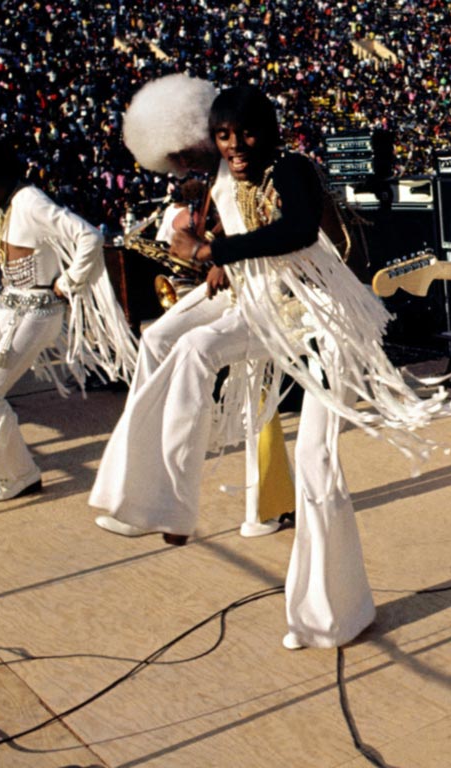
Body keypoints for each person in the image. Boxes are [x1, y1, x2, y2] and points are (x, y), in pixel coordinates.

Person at [96, 85, 451, 650]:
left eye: (246, 134)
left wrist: (215, 254)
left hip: (329, 320)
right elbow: (241, 240)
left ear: (271, 132)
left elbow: (295, 231)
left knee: (315, 461)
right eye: (224, 137)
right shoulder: (228, 183)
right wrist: (215, 258)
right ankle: (169, 501)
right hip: (266, 311)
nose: (235, 146)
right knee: (189, 350)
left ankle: (331, 614)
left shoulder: (293, 169)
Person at [93, 73, 289, 540]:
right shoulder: (209, 181)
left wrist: (214, 253)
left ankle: (174, 503)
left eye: (182, 152)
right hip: (236, 293)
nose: (178, 164)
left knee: (212, 367)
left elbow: (280, 234)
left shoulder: (251, 169)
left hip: (273, 302)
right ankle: (138, 489)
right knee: (158, 338)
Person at [0, 138, 136, 504]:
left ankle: (19, 475)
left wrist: (69, 282)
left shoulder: (30, 201)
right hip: (6, 306)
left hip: (37, 311)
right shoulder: (5, 204)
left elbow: (89, 236)